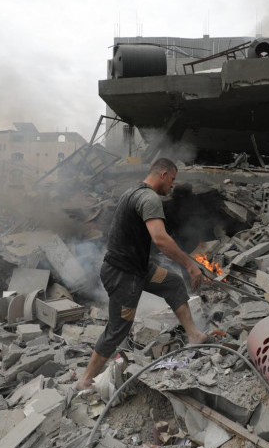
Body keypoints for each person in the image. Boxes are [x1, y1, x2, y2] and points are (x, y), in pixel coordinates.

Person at [75, 157, 209, 391]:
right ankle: (86, 380)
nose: (173, 186)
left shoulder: (133, 192)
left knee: (173, 284)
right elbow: (160, 238)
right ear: (163, 175)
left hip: (139, 269)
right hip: (123, 275)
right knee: (119, 328)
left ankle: (194, 335)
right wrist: (190, 264)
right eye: (173, 180)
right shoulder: (149, 198)